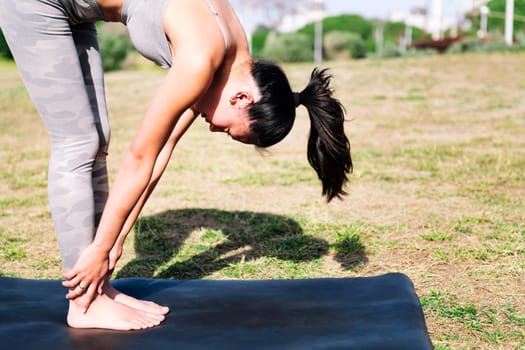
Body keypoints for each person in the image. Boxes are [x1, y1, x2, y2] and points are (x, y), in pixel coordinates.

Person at [0, 0, 352, 331]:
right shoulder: (202, 59)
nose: (214, 128)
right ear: (242, 98)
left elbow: (162, 149)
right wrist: (100, 247)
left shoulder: (233, 55)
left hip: (78, 10)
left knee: (97, 141)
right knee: (78, 142)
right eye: (229, 129)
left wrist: (116, 240)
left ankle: (98, 289)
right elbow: (140, 155)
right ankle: (84, 304)